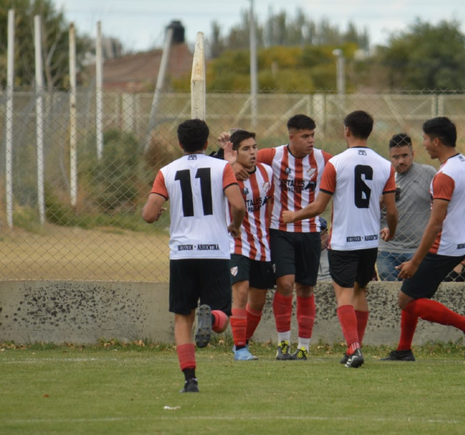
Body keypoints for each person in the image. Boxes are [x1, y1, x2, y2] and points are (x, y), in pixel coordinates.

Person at [283, 110, 397, 368]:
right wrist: (391, 229)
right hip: (370, 242)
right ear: (369, 131)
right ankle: (355, 347)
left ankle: (353, 348)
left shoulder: (336, 163)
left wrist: (293, 216)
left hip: (344, 240)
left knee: (343, 294)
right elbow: (391, 210)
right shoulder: (384, 165)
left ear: (347, 130)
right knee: (360, 291)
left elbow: (318, 207)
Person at [141, 119, 245, 393]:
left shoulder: (167, 171)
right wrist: (235, 225)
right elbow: (237, 204)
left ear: (179, 144)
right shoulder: (222, 167)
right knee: (222, 317)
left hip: (183, 254)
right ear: (207, 142)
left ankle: (190, 380)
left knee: (182, 318)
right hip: (215, 251)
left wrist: (159, 210)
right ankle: (210, 320)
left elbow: (149, 215)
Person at [383, 116, 465, 363]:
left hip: (442, 247)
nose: (425, 144)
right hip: (458, 246)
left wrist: (415, 262)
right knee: (414, 295)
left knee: (405, 300)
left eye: (426, 139)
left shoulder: (444, 175)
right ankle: (404, 351)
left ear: (437, 141)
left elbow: (435, 223)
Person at [234, 114, 332, 361]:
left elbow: (345, 176)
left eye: (313, 135)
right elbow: (243, 155)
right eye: (305, 136)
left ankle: (304, 347)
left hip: (310, 232)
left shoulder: (324, 160)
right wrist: (233, 164)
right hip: (279, 232)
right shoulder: (273, 156)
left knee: (306, 289)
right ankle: (283, 345)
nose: (311, 140)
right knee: (286, 283)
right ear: (292, 137)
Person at [222, 129, 276, 361]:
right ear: (235, 152)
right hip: (236, 243)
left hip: (263, 244)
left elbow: (271, 201)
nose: (253, 152)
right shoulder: (225, 174)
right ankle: (240, 347)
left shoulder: (268, 172)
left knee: (258, 301)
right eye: (246, 148)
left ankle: (240, 344)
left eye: (254, 147)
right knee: (240, 292)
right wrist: (228, 165)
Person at [378, 133, 437, 281]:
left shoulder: (428, 173)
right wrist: (380, 201)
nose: (401, 161)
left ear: (413, 154)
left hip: (417, 249)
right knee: (390, 294)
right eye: (395, 157)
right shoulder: (382, 176)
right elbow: (370, 213)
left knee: (415, 294)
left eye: (405, 156)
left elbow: (441, 206)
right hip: (388, 249)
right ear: (390, 157)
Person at [316, 216, 331, 282]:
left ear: (326, 234)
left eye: (319, 234)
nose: (316, 238)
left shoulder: (335, 253)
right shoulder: (301, 256)